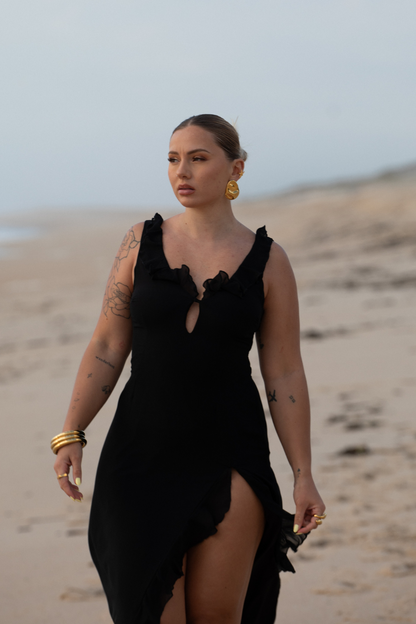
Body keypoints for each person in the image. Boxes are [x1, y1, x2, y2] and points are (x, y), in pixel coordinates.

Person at [52, 114, 326, 624]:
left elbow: (285, 374)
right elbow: (108, 344)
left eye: (199, 158)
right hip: (140, 453)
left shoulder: (269, 261)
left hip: (233, 456)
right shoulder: (139, 242)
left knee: (218, 615)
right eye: (174, 159)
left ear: (235, 169)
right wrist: (72, 431)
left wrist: (303, 475)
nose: (183, 171)